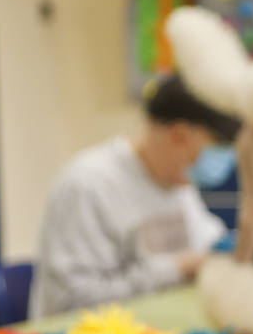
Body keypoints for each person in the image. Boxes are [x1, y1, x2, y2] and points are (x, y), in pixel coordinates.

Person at [28, 73, 238, 317]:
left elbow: (209, 244)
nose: (224, 159)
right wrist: (178, 268)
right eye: (219, 146)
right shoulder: (88, 186)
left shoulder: (177, 181)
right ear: (178, 135)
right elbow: (72, 302)